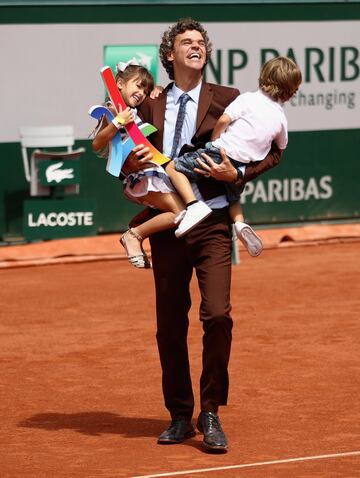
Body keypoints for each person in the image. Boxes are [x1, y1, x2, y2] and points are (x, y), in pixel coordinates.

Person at [122, 17, 283, 452]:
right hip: (170, 226)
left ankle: (210, 412)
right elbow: (121, 154)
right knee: (169, 326)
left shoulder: (231, 98)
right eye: (186, 42)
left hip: (212, 221)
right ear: (170, 56)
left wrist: (242, 171)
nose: (195, 46)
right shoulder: (150, 103)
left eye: (200, 42)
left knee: (218, 316)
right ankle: (179, 415)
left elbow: (278, 148)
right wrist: (131, 167)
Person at [166, 56, 302, 250]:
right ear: (291, 90)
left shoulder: (247, 99)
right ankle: (239, 224)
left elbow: (223, 120)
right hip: (240, 166)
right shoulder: (281, 119)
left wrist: (214, 142)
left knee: (173, 167)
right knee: (233, 197)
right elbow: (280, 148)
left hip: (219, 154)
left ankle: (193, 205)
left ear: (264, 77)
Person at [91, 61, 184, 268]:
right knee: (180, 212)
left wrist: (157, 90)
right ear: (120, 84)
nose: (142, 92)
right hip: (143, 178)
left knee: (181, 211)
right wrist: (117, 122)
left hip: (154, 173)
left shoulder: (136, 110)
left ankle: (136, 227)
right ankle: (134, 235)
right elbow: (97, 144)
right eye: (138, 86)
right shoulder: (111, 109)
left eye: (146, 89)